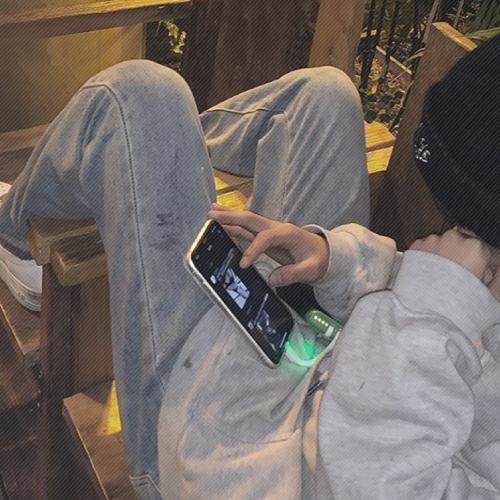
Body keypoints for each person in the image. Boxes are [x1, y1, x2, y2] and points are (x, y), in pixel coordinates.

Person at [0, 30, 498, 499]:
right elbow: (427, 296)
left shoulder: (439, 314)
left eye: (475, 231)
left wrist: (438, 306)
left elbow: (373, 478)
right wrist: (334, 257)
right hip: (311, 352)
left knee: (136, 96)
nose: (452, 233)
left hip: (220, 448)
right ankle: (153, 153)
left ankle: (15, 230)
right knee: (325, 97)